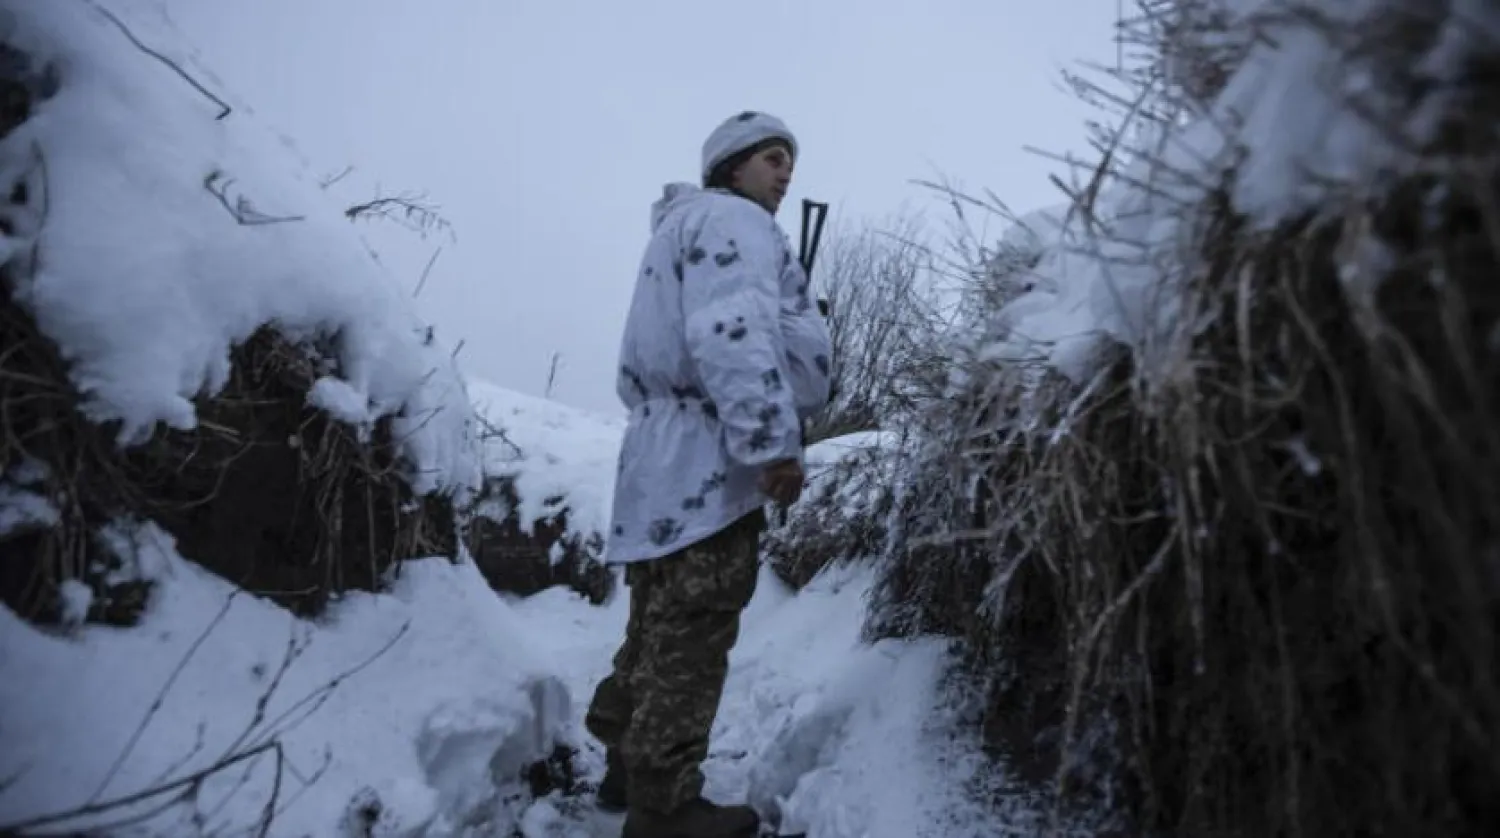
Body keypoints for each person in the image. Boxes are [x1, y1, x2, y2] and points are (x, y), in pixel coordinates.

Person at [584, 111, 833, 838]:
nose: (786, 173)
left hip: (661, 459)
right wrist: (774, 446)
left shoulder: (683, 226)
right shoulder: (734, 222)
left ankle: (628, 761)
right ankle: (663, 808)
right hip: (711, 454)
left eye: (790, 161)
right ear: (731, 167)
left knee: (659, 621)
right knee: (694, 628)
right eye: (772, 158)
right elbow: (732, 331)